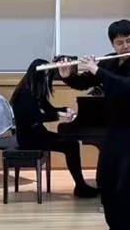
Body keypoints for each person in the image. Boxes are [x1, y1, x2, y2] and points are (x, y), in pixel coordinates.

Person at [60, 19, 130, 230]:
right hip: (114, 132)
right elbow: (85, 82)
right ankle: (116, 229)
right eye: (119, 42)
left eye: (129, 41)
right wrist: (68, 76)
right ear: (113, 43)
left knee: (127, 186)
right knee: (105, 180)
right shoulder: (110, 60)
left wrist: (97, 70)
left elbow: (128, 86)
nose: (125, 46)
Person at [9, 58, 100, 198]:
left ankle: (80, 185)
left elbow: (49, 109)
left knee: (71, 144)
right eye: (46, 75)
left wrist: (64, 109)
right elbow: (36, 117)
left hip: (38, 134)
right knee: (71, 145)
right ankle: (80, 186)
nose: (47, 79)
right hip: (29, 139)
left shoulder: (35, 90)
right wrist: (59, 115)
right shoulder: (24, 94)